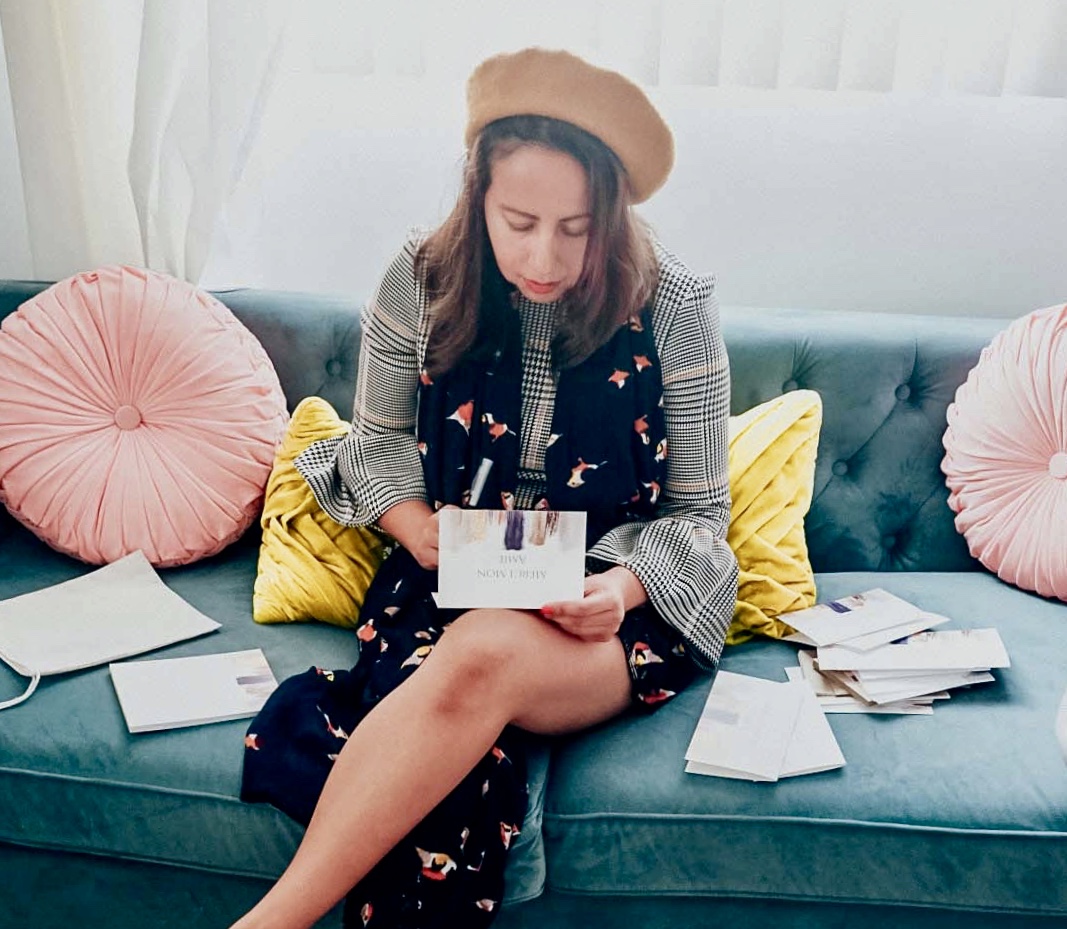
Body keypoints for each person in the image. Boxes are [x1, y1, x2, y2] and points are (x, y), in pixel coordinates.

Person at [233, 47, 738, 929]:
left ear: (610, 214)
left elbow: (699, 512)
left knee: (478, 658)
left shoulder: (676, 305)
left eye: (576, 228)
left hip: (614, 605)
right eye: (519, 220)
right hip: (445, 578)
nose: (545, 255)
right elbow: (378, 440)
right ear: (477, 195)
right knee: (453, 769)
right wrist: (417, 524)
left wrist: (617, 588)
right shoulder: (420, 279)